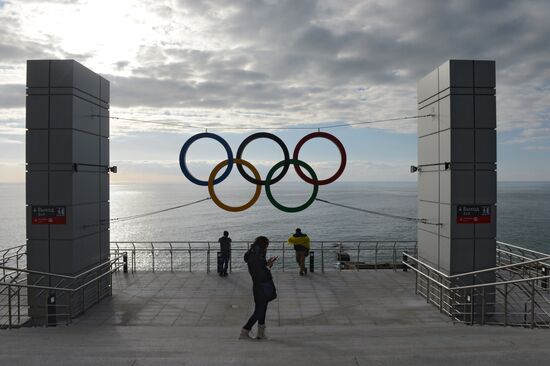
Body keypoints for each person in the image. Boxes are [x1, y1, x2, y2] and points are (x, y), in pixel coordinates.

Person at [239, 236, 278, 340]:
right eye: (267, 245)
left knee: (262, 308)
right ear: (263, 245)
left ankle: (260, 334)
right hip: (261, 285)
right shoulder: (257, 255)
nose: (267, 247)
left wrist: (266, 263)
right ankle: (245, 331)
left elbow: (258, 267)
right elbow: (260, 272)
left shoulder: (255, 253)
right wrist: (268, 266)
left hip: (258, 285)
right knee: (259, 311)